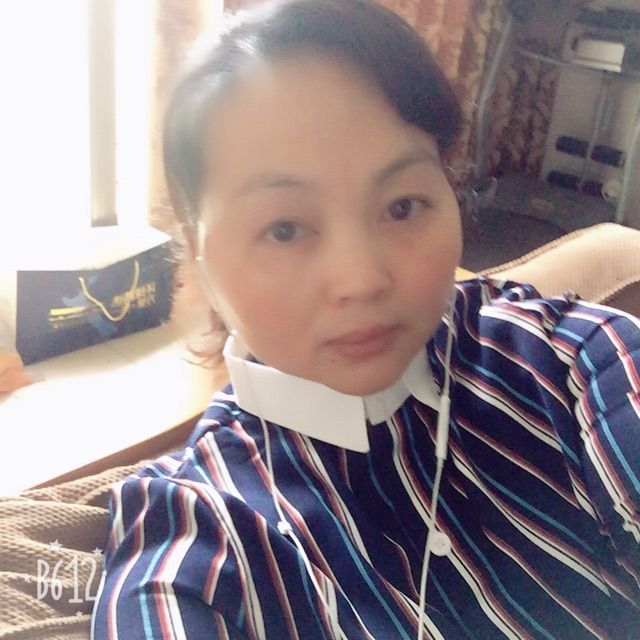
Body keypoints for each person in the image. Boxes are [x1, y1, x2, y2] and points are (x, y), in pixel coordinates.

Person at [91, 1, 640, 638]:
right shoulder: (196, 533)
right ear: (197, 253)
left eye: (402, 206)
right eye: (285, 228)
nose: (361, 280)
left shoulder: (569, 359)